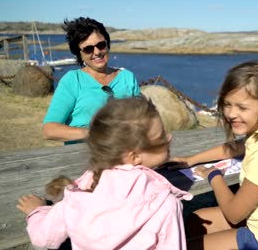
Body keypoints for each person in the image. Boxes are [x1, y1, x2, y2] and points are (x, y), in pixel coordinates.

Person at [17, 96, 192, 249]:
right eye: (161, 136)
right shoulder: (164, 204)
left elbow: (43, 238)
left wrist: (37, 210)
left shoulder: (82, 189)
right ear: (135, 156)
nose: (170, 137)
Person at [172, 60, 258, 250]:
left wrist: (213, 175)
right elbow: (239, 146)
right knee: (197, 220)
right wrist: (191, 160)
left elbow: (234, 214)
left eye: (242, 108)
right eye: (227, 104)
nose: (231, 114)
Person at [43, 17, 140, 144]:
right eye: (88, 49)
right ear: (79, 54)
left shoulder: (127, 77)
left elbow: (142, 119)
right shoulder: (72, 81)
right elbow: (49, 130)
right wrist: (95, 134)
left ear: (107, 44)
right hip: (84, 158)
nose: (97, 52)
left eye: (101, 45)